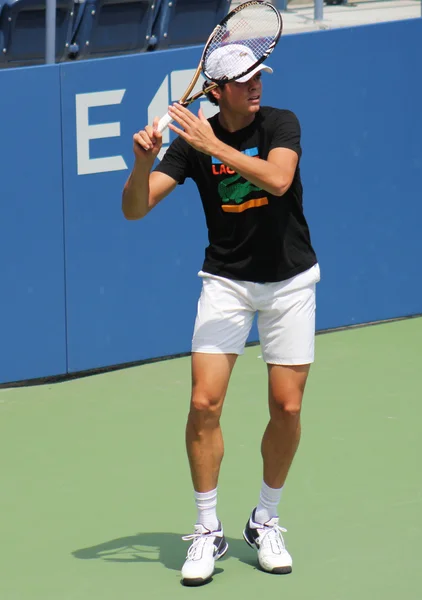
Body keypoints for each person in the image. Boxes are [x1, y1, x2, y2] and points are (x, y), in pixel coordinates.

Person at [122, 43, 320, 586]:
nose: (257, 86)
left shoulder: (281, 123)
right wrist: (143, 165)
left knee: (287, 406)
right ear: (217, 90)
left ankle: (265, 518)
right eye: (244, 80)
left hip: (290, 283)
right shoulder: (189, 148)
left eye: (260, 76)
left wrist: (213, 144)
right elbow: (135, 209)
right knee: (204, 402)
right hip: (227, 284)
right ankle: (207, 528)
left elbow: (278, 180)